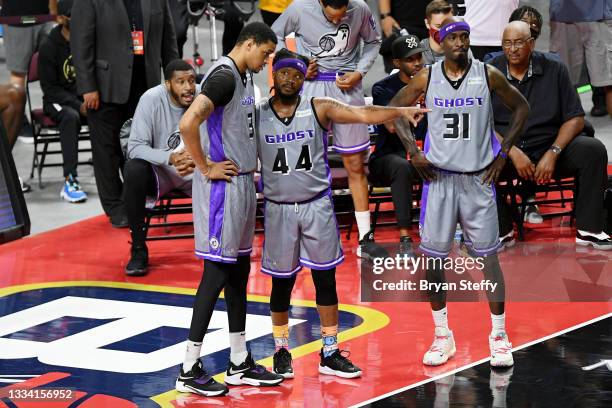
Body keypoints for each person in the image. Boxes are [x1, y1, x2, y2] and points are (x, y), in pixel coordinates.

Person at [258, 49, 428, 379]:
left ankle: (330, 351)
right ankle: (281, 349)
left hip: (316, 205)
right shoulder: (259, 115)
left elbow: (362, 114)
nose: (290, 78)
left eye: (296, 73)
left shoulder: (318, 106)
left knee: (325, 279)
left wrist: (399, 110)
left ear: (303, 79)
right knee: (282, 284)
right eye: (283, 73)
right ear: (274, 76)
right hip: (279, 209)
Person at [390, 17, 530, 368]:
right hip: (439, 180)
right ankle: (442, 336)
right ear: (439, 41)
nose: (461, 43)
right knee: (433, 261)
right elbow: (395, 111)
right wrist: (414, 150)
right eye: (453, 37)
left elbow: (521, 108)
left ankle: (498, 336)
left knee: (489, 260)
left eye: (465, 37)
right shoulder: (428, 76)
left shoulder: (488, 73)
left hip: (477, 180)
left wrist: (502, 153)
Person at [176, 22, 282, 397]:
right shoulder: (222, 77)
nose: (267, 60)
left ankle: (239, 361)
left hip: (241, 184)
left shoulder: (244, 78)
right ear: (248, 43)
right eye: (265, 52)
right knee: (216, 273)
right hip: (221, 188)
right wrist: (204, 166)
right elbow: (188, 121)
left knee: (238, 272)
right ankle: (188, 367)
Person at [272, 0, 386, 260]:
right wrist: (294, 60)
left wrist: (359, 72)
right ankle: (303, 233)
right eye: (332, 18)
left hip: (348, 87)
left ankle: (366, 237)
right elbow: (274, 35)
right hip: (311, 88)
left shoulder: (361, 8)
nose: (337, 21)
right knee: (306, 165)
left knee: (355, 164)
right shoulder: (300, 8)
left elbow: (373, 41)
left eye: (342, 17)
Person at [489, 22, 612, 250]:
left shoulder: (555, 68)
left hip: (549, 146)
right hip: (507, 150)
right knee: (476, 158)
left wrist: (553, 152)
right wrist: (511, 151)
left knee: (592, 150)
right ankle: (501, 228)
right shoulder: (490, 71)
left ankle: (590, 230)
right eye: (507, 43)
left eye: (518, 43)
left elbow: (575, 118)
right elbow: (481, 122)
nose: (512, 49)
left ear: (532, 44)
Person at [71, 0, 179, 228]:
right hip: (104, 85)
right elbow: (81, 43)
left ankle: (135, 199)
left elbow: (169, 40)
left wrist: (175, 79)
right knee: (107, 152)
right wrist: (87, 86)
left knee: (139, 147)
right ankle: (114, 206)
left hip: (145, 85)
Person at [123, 60, 197, 277]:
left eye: (191, 81)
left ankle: (227, 245)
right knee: (134, 170)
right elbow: (134, 147)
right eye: (181, 82)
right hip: (162, 173)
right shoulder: (151, 99)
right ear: (167, 85)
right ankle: (138, 249)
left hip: (198, 169)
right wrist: (170, 158)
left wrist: (199, 160)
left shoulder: (204, 96)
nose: (188, 87)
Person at [369, 34, 426, 256]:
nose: (418, 63)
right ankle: (405, 237)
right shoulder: (382, 88)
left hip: (424, 151)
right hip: (387, 156)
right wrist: (415, 94)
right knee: (401, 166)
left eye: (419, 57)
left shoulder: (433, 81)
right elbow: (392, 126)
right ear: (397, 63)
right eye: (411, 59)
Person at [38, 0, 87, 203]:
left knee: (107, 111)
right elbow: (50, 89)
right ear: (61, 19)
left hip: (82, 98)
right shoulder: (49, 46)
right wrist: (78, 105)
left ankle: (112, 177)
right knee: (70, 116)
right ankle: (70, 180)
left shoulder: (85, 41)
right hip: (56, 101)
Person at [550, 0, 612, 118]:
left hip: (565, 13)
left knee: (567, 83)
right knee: (567, 82)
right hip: (586, 13)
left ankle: (579, 129)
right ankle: (578, 129)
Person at [378, 0, 429, 73]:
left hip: (431, 21)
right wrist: (385, 16)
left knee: (431, 73)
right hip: (400, 24)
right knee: (400, 75)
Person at [419, 0, 473, 67]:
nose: (443, 31)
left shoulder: (461, 48)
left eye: (447, 26)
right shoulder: (419, 52)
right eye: (438, 26)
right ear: (427, 23)